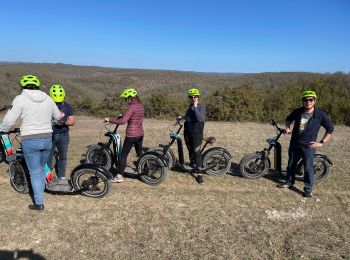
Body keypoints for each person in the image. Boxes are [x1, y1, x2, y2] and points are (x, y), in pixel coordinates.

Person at [1, 75, 63, 211]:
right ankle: (40, 192)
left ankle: (38, 203)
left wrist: (3, 130)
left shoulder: (20, 99)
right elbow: (58, 116)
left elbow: (9, 120)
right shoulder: (47, 98)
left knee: (34, 172)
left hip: (30, 139)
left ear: (22, 86)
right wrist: (49, 122)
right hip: (47, 138)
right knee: (41, 170)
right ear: (37, 86)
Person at [278, 90, 334, 197]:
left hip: (309, 146)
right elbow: (288, 120)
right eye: (305, 100)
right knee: (291, 165)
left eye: (310, 99)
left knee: (308, 168)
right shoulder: (298, 111)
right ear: (302, 101)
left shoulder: (320, 114)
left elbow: (330, 128)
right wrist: (288, 128)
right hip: (295, 143)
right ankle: (289, 182)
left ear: (314, 101)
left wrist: (321, 142)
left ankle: (308, 189)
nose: (308, 101)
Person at [104, 88, 145, 183]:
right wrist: (124, 114)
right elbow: (134, 116)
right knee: (139, 153)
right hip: (140, 133)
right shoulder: (140, 106)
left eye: (126, 98)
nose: (126, 100)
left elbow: (122, 122)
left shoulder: (131, 107)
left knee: (123, 155)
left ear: (130, 98)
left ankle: (119, 176)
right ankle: (144, 168)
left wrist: (109, 119)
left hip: (132, 135)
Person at [48, 84, 75, 181]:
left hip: (63, 135)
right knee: (48, 157)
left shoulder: (67, 106)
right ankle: (47, 176)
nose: (58, 104)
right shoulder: (46, 105)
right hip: (50, 135)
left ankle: (61, 176)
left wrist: (64, 123)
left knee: (63, 156)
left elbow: (72, 120)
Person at [183, 88, 206, 184]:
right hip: (188, 131)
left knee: (197, 152)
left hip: (197, 132)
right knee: (190, 149)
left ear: (198, 97)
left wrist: (196, 106)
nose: (193, 98)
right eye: (191, 97)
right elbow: (188, 116)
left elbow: (199, 118)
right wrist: (182, 117)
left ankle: (200, 174)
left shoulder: (201, 106)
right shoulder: (190, 106)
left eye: (194, 96)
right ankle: (193, 165)